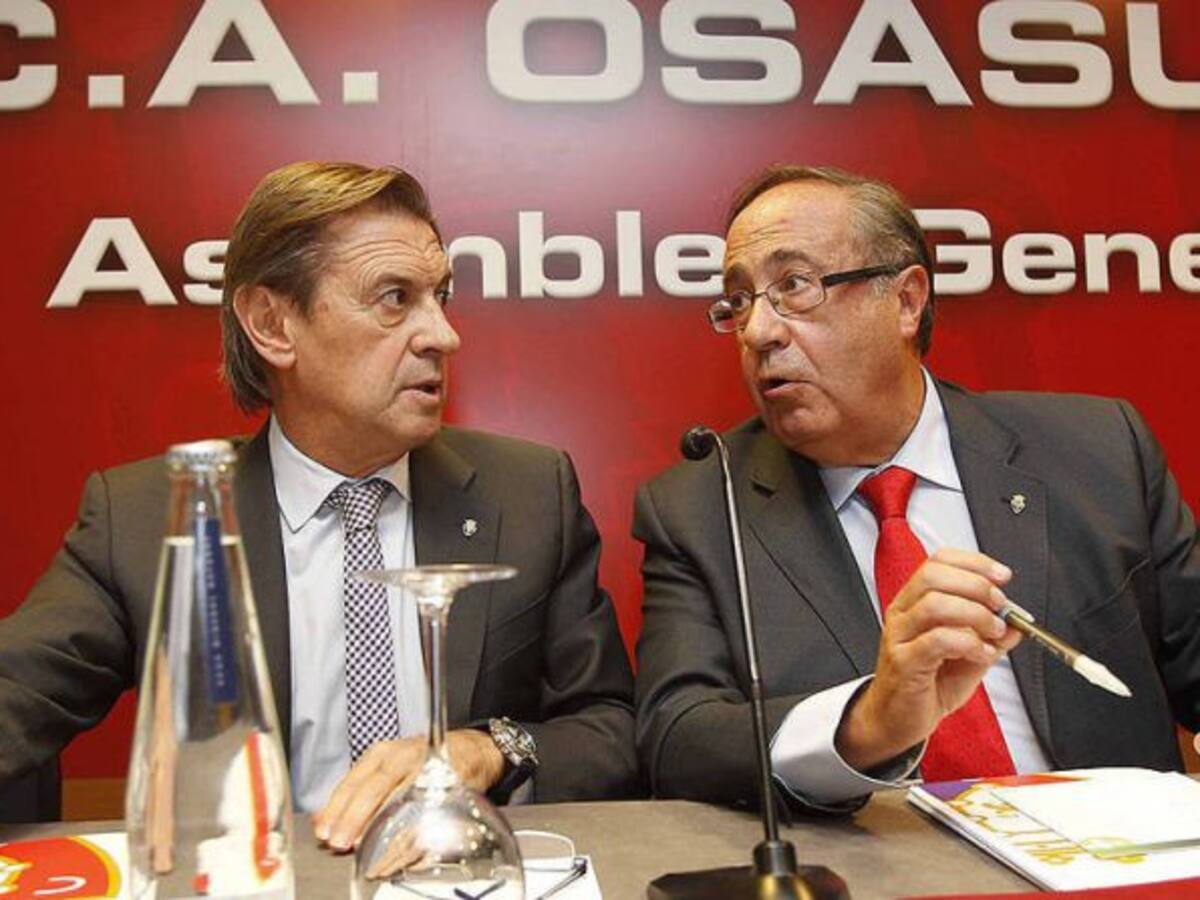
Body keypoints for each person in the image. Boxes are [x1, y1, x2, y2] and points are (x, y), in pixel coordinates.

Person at [0, 161, 639, 845]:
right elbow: (17, 696)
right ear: (272, 324)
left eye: (441, 296)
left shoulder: (529, 494)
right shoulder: (150, 518)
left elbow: (610, 730)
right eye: (394, 298)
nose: (443, 335)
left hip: (454, 873)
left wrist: (487, 749)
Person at [633, 164, 1200, 812]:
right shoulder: (702, 508)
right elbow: (677, 740)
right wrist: (871, 721)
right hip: (884, 860)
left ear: (906, 300)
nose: (759, 331)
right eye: (739, 301)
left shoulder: (1096, 451)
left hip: (1116, 851)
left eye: (794, 286)